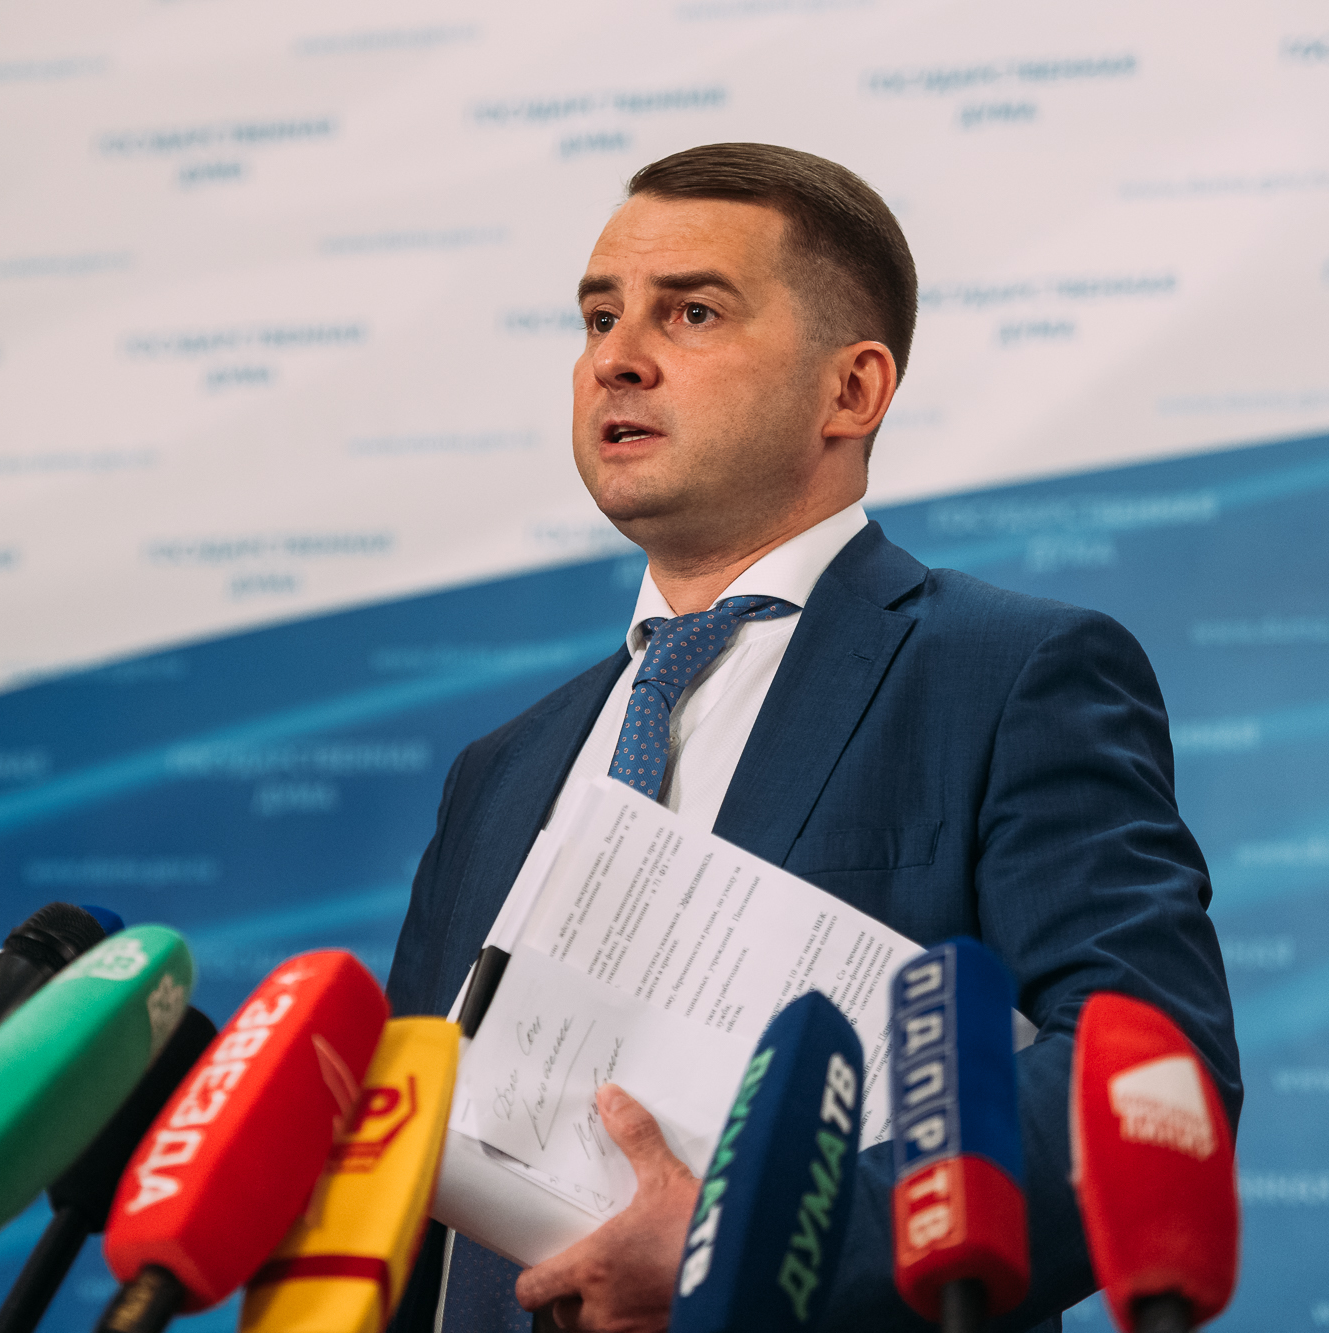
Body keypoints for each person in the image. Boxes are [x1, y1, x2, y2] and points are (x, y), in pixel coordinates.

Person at [383, 143, 1239, 1333]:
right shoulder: (497, 771)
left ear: (852, 390)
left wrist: (751, 1247)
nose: (616, 357)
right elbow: (402, 1183)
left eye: (690, 311)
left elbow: (1143, 1073)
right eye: (597, 316)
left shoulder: (1008, 675)